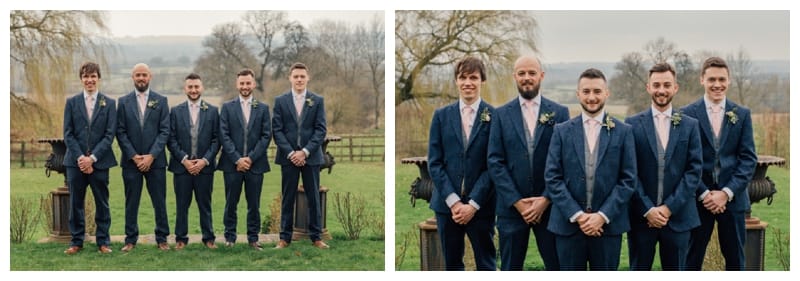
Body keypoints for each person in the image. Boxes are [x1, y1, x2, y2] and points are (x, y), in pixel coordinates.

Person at [544, 68, 636, 270]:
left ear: (606, 93)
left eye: (597, 91)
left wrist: (602, 216)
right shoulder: (561, 131)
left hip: (608, 228)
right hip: (568, 226)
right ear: (578, 94)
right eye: (586, 92)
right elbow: (552, 177)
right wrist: (578, 215)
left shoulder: (623, 131)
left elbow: (628, 180)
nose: (591, 97)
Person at [488, 55, 568, 271]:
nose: (527, 77)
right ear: (515, 76)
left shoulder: (560, 113)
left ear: (541, 76)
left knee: (557, 267)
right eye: (521, 73)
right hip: (512, 210)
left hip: (550, 209)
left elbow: (566, 161)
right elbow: (495, 161)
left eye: (532, 73)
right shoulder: (500, 114)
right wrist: (517, 202)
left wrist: (546, 199)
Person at [625, 62, 702, 270]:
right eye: (656, 85)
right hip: (642, 219)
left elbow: (694, 171)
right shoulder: (631, 125)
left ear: (675, 88)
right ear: (648, 87)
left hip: (678, 218)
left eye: (667, 85)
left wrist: (669, 208)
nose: (661, 90)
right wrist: (648, 209)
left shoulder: (690, 125)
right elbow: (629, 172)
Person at [682, 57, 757, 271]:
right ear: (702, 80)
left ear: (729, 81)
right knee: (691, 261)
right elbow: (684, 161)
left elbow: (748, 159)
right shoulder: (686, 114)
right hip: (698, 201)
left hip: (732, 201)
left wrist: (726, 192)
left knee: (735, 261)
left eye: (722, 79)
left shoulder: (741, 114)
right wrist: (704, 194)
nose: (717, 84)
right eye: (712, 79)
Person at [428, 56, 496, 270]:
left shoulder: (495, 116)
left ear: (482, 81)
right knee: (452, 264)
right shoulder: (441, 116)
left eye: (473, 77)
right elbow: (435, 163)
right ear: (456, 81)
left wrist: (473, 204)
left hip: (482, 206)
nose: (468, 82)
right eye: (463, 77)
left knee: (486, 263)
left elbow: (493, 164)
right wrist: (455, 202)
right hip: (447, 207)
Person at [62, 62, 117, 255]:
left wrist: (92, 158)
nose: (89, 80)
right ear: (81, 79)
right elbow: (68, 133)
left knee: (102, 202)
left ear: (98, 78)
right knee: (76, 202)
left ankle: (103, 241)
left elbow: (109, 135)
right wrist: (81, 158)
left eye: (93, 76)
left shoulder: (109, 104)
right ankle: (76, 241)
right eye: (86, 76)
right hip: (75, 163)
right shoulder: (71, 102)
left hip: (100, 163)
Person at [272, 62, 329, 249]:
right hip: (288, 158)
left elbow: (320, 130)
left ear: (307, 78)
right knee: (288, 197)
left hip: (310, 157)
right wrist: (291, 153)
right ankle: (284, 238)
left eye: (302, 76)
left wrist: (304, 152)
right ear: (290, 78)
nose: (299, 79)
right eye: (295, 76)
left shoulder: (317, 100)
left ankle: (316, 237)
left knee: (313, 197)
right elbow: (277, 130)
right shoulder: (281, 101)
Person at [116, 63, 171, 252]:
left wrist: (151, 156)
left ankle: (162, 238)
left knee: (159, 202)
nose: (141, 78)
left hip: (155, 163)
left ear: (150, 76)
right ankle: (130, 239)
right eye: (138, 75)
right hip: (131, 163)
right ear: (132, 77)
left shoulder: (161, 101)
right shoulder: (123, 102)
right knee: (131, 202)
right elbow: (120, 132)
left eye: (144, 75)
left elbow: (165, 131)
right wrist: (133, 156)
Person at [218, 68, 272, 251]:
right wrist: (237, 159)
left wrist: (250, 158)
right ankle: (230, 237)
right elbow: (223, 135)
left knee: (254, 204)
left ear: (254, 84)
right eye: (242, 83)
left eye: (248, 83)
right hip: (231, 165)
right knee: (230, 203)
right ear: (237, 84)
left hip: (256, 165)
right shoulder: (227, 107)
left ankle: (253, 238)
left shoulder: (263, 108)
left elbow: (266, 136)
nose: (245, 86)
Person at [167, 73, 220, 250]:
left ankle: (209, 238)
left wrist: (204, 161)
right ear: (185, 89)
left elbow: (216, 140)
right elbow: (171, 139)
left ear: (202, 88)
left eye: (196, 86)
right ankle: (181, 239)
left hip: (204, 168)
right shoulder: (175, 111)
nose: (194, 90)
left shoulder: (212, 111)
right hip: (182, 168)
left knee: (205, 204)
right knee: (182, 205)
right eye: (190, 87)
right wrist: (184, 160)